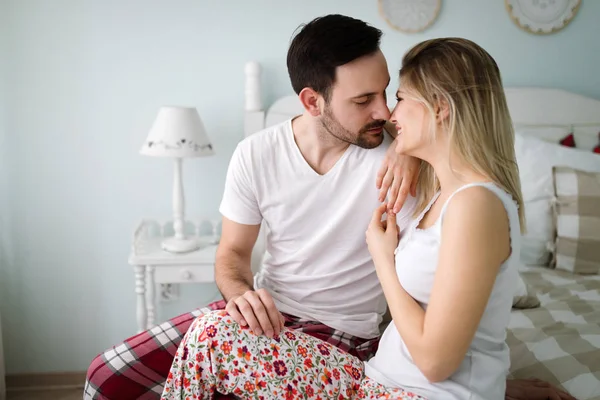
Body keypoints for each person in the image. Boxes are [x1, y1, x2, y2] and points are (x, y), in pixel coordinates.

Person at [85, 14, 573, 400]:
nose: (384, 112)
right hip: (271, 316)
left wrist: (405, 153)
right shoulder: (255, 154)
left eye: (390, 94)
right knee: (107, 378)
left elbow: (461, 251)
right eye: (365, 100)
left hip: (346, 339)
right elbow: (232, 255)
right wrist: (240, 293)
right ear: (312, 101)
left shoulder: (407, 162)